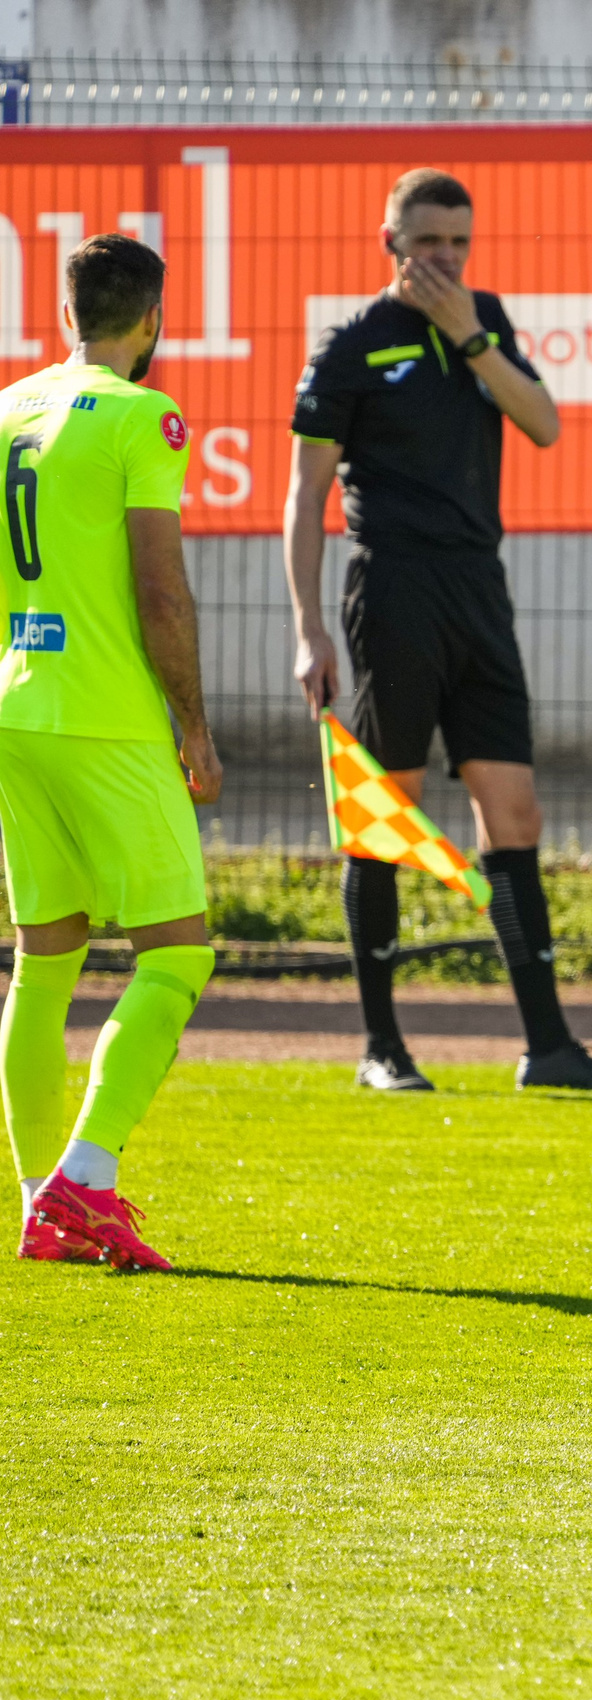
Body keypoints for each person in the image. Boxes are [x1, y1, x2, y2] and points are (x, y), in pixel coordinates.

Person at [284, 169, 592, 1096]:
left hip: (478, 589)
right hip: (392, 591)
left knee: (513, 812)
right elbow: (306, 495)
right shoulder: (349, 347)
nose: (443, 258)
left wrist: (472, 338)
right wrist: (308, 627)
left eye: (458, 242)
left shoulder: (483, 320)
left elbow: (545, 424)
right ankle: (382, 1047)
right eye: (426, 241)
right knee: (386, 815)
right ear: (389, 243)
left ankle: (548, 1047)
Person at [2, 234, 221, 1271]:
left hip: (16, 707)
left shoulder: (11, 408)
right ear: (154, 322)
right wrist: (194, 724)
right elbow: (160, 589)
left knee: (45, 961)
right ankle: (83, 1181)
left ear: (63, 312)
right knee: (177, 950)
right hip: (104, 712)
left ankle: (40, 1199)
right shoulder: (145, 415)